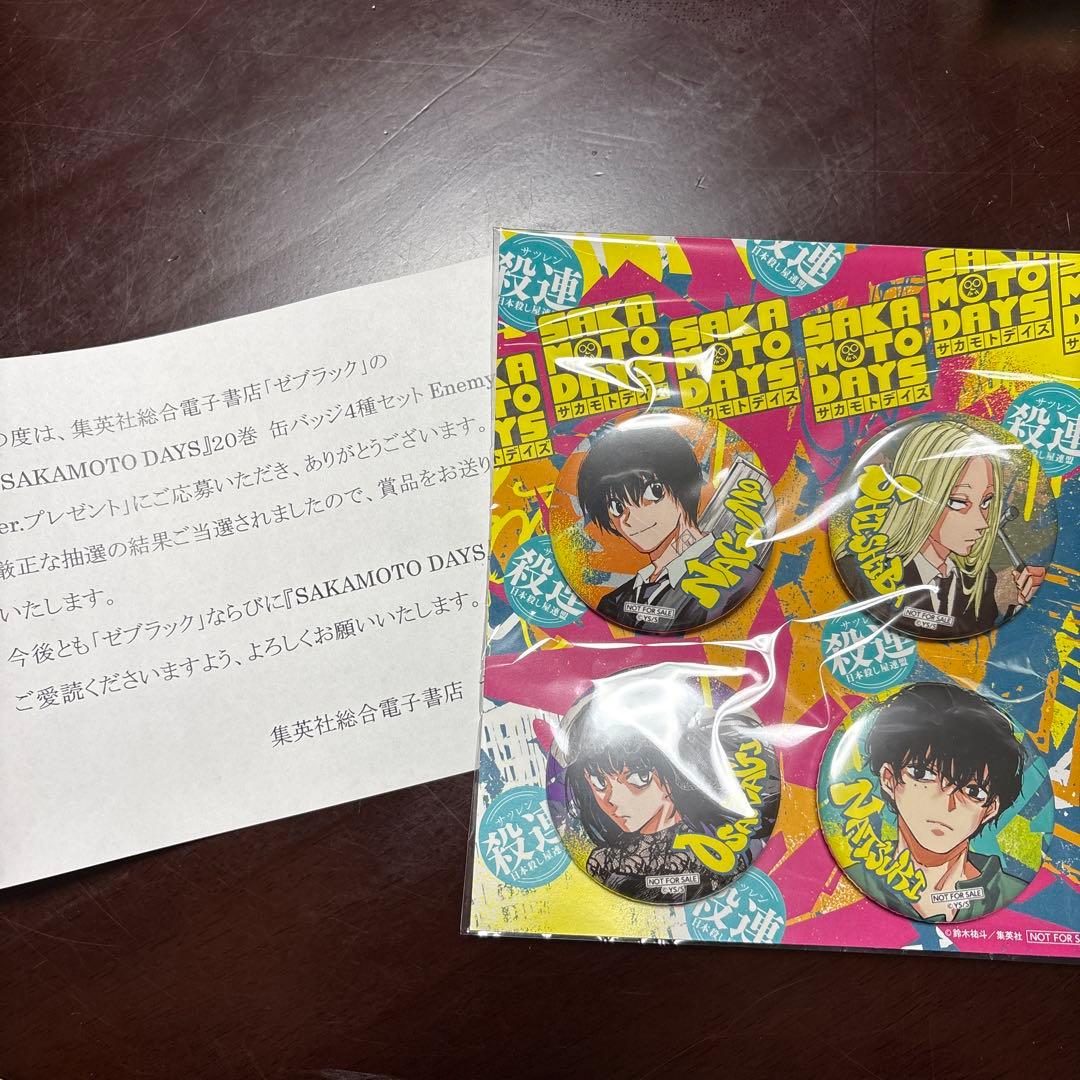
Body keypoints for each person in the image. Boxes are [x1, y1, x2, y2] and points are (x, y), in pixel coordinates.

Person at [562, 682, 779, 904]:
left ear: (676, 772)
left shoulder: (715, 852)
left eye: (638, 778)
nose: (613, 800)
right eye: (599, 782)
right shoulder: (604, 860)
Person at [841, 419, 1046, 637]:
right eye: (958, 502)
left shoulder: (981, 583)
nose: (982, 523)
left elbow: (976, 640)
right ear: (916, 495)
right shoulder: (862, 571)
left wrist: (1020, 604)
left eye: (986, 502)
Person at [851, 683, 1030, 923]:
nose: (946, 805)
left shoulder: (1008, 892)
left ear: (990, 809)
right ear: (889, 779)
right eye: (922, 774)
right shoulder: (857, 878)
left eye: (972, 791)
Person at [576, 420, 766, 634]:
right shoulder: (614, 602)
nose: (632, 518)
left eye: (652, 493)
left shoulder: (738, 575)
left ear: (683, 488)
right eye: (617, 507)